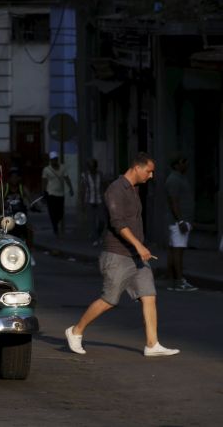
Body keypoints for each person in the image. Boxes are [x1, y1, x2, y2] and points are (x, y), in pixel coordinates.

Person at [65, 153, 180, 358]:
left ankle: (152, 344)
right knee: (109, 299)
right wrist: (139, 245)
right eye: (149, 171)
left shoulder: (134, 189)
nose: (151, 175)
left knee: (149, 296)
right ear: (137, 168)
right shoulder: (116, 189)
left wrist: (139, 247)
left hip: (136, 255)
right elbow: (118, 223)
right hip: (117, 254)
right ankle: (76, 331)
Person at [165, 154, 197, 291]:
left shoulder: (179, 178)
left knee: (174, 250)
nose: (186, 165)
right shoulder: (174, 180)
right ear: (177, 164)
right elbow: (174, 202)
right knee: (178, 251)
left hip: (179, 221)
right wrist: (181, 221)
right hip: (178, 222)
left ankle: (173, 281)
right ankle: (179, 282)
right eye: (184, 162)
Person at [42, 150, 74, 237]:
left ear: (57, 159)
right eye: (52, 160)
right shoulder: (47, 170)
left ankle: (56, 222)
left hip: (60, 194)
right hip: (50, 193)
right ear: (50, 160)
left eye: (55, 159)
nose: (54, 161)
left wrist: (71, 188)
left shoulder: (62, 168)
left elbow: (67, 178)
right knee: (52, 212)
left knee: (60, 212)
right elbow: (44, 181)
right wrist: (44, 192)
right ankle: (55, 227)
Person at [80, 158, 106, 247]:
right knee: (92, 221)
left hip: (99, 200)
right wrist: (82, 203)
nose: (92, 169)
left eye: (93, 167)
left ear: (96, 167)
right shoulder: (85, 176)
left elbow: (104, 186)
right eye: (90, 167)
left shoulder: (100, 174)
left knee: (102, 220)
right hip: (89, 200)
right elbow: (83, 189)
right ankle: (95, 238)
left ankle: (98, 234)